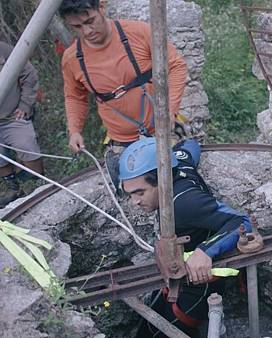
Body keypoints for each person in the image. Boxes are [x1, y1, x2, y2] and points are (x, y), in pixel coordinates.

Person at [119, 137, 252, 337]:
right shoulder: (179, 163)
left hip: (199, 286)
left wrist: (206, 250)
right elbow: (189, 145)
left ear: (161, 181)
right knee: (146, 328)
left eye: (139, 193)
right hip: (174, 273)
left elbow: (242, 222)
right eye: (129, 194)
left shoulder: (184, 204)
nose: (134, 202)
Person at [59, 0, 188, 186]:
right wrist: (75, 131)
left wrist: (170, 109)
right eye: (77, 27)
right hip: (122, 141)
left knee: (180, 183)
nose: (87, 32)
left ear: (101, 8)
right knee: (135, 193)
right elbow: (75, 97)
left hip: (163, 131)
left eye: (90, 21)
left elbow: (176, 65)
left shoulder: (139, 32)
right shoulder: (72, 58)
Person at [0, 41, 44, 207]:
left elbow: (29, 74)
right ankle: (14, 190)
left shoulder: (3, 49)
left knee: (27, 146)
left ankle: (38, 184)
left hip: (13, 116)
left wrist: (25, 105)